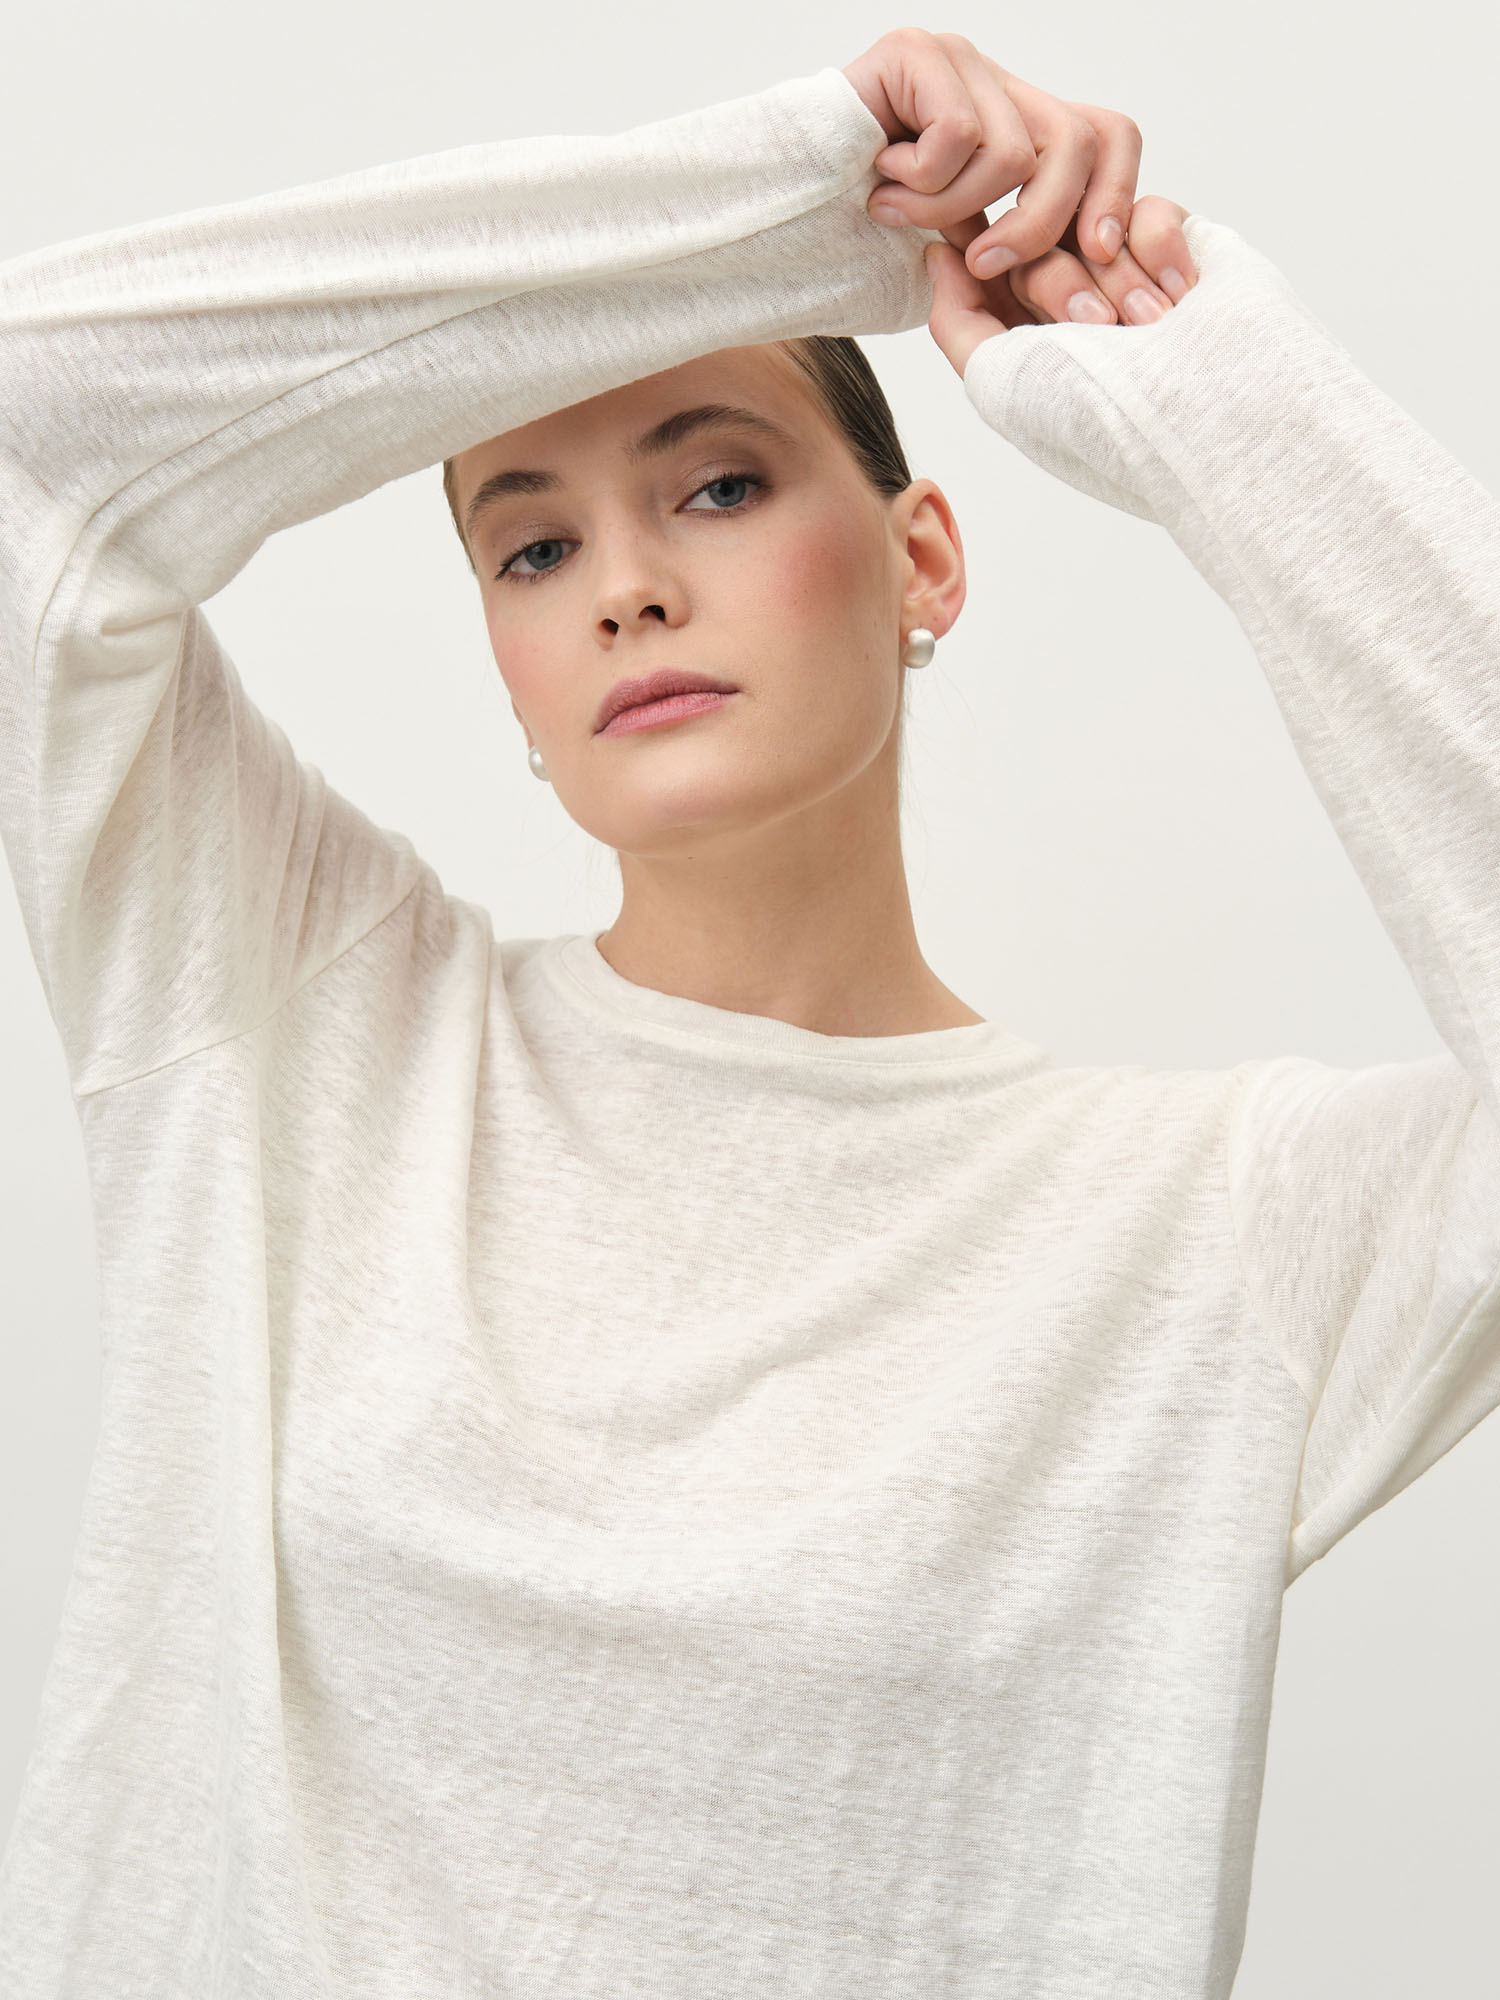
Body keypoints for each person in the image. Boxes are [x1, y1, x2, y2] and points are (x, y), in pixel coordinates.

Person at [0, 23, 1494, 1998]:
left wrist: (1212, 390)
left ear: (920, 559)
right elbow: (27, 438)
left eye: (717, 484)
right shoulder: (311, 1026)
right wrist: (806, 205)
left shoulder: (1222, 1226)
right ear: (509, 665)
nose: (622, 587)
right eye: (535, 544)